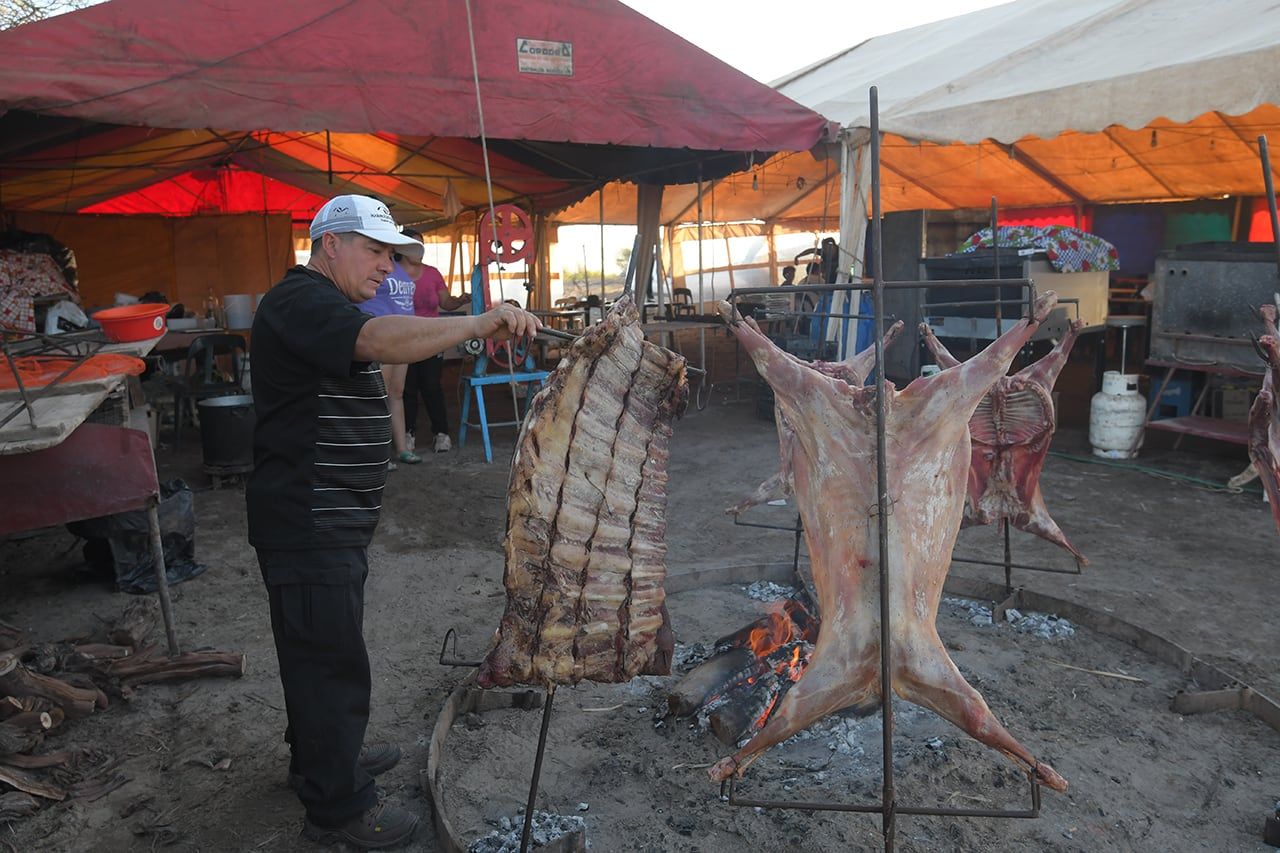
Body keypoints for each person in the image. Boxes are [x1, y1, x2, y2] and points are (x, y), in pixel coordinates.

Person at [246, 194, 539, 849]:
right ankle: (339, 809)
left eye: (392, 253)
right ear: (331, 244)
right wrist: (480, 320)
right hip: (308, 516)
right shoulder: (300, 301)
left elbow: (379, 335)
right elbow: (378, 340)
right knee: (332, 662)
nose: (387, 266)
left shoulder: (324, 303)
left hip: (325, 516)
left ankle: (320, 760)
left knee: (318, 648)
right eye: (375, 251)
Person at [400, 233, 468, 453]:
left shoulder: (432, 273)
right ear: (402, 247)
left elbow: (446, 302)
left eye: (422, 245)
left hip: (430, 339)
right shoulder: (390, 272)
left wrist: (459, 300)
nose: (419, 249)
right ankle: (407, 433)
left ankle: (441, 433)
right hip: (402, 340)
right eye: (414, 245)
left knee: (431, 386)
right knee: (406, 389)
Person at [356, 236, 420, 468]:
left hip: (401, 338)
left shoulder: (397, 267)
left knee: (396, 393)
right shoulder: (373, 268)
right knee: (375, 396)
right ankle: (377, 453)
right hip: (380, 336)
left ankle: (401, 448)